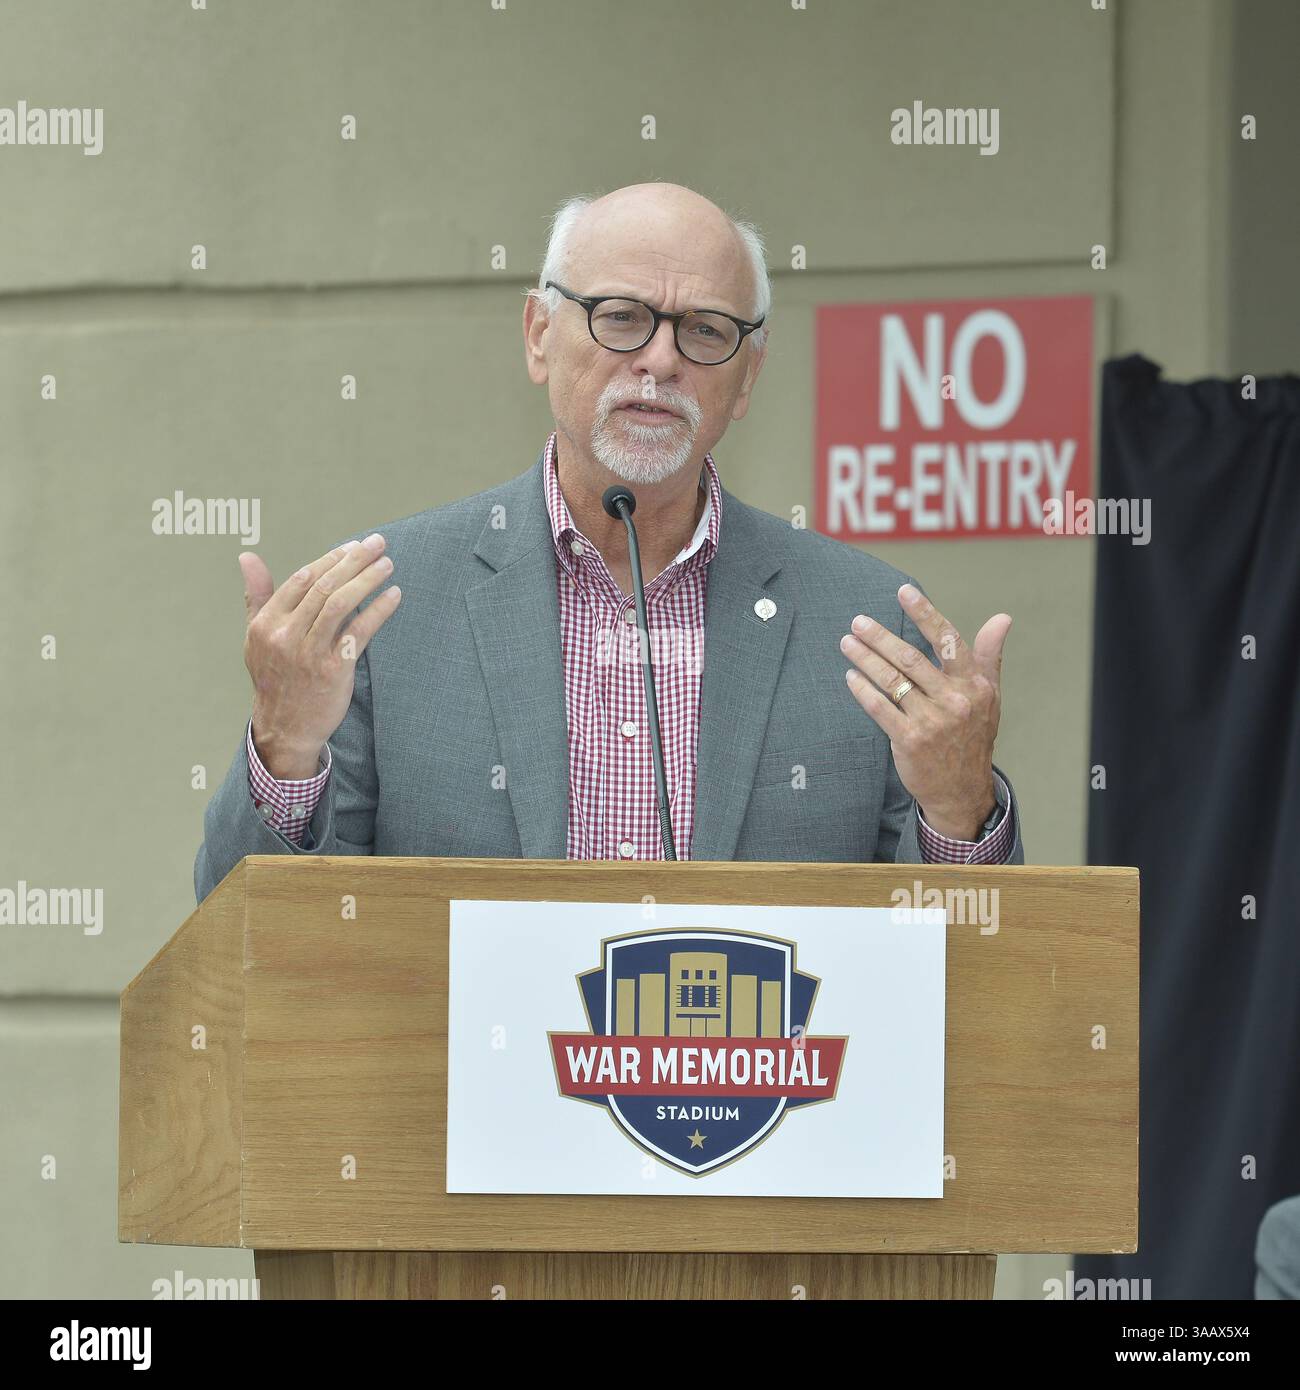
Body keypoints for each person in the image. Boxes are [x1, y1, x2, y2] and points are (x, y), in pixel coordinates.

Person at [195, 182, 1023, 904]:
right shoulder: (383, 608)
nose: (659, 360)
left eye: (704, 331)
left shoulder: (870, 627)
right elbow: (248, 933)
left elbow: (960, 978)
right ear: (537, 334)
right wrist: (285, 746)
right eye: (621, 317)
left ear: (748, 376)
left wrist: (959, 810)